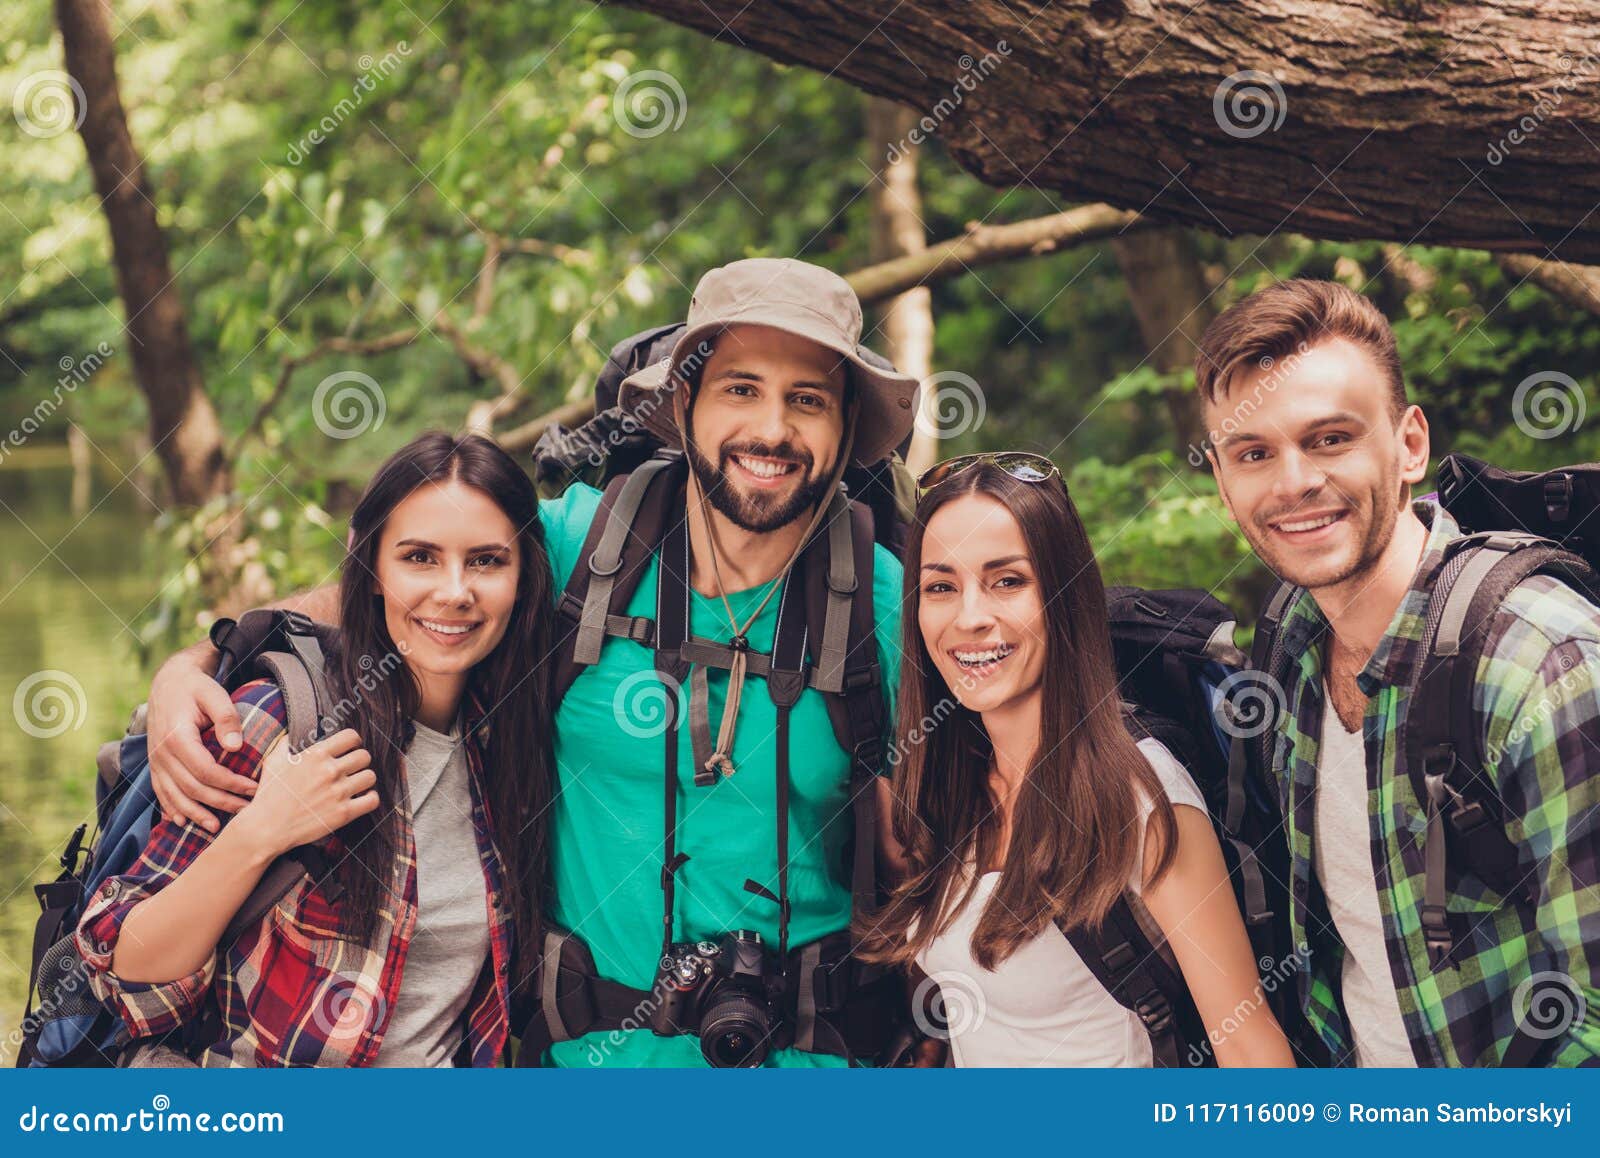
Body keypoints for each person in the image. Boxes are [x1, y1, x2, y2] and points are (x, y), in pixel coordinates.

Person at [132, 258, 920, 1067]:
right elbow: (403, 589)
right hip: (581, 1071)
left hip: (813, 1070)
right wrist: (197, 663)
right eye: (741, 389)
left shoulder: (888, 604)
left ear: (844, 425)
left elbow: (981, 808)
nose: (774, 430)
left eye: (809, 400)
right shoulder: (589, 545)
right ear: (685, 403)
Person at [1197, 277, 1600, 1066]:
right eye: (1254, 453)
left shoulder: (1544, 665)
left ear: (1410, 444)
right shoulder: (1290, 646)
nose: (1293, 483)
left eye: (1329, 439)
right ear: (1221, 479)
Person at [77, 432, 555, 1066]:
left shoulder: (508, 744)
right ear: (372, 566)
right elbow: (123, 971)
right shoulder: (277, 721)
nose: (455, 590)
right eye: (419, 557)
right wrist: (263, 831)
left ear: (524, 575)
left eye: (488, 561)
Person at [856, 453, 1297, 1067]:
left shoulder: (1140, 794)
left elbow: (1248, 1045)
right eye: (941, 586)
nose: (971, 617)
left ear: (1064, 597)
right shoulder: (943, 783)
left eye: (1007, 581)